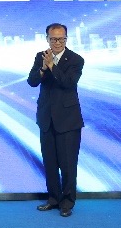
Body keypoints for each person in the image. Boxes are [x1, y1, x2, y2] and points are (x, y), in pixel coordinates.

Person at [27, 22, 84, 217]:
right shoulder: (40, 56)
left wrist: (52, 66)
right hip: (46, 119)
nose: (57, 42)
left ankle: (67, 203)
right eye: (53, 39)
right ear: (47, 39)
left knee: (68, 165)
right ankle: (53, 199)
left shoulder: (76, 59)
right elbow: (32, 81)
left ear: (66, 39)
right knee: (50, 163)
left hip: (68, 121)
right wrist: (43, 68)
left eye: (61, 39)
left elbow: (68, 83)